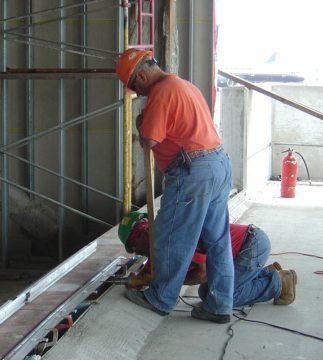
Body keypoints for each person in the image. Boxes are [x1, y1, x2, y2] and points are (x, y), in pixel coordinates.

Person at [116, 49, 234, 323]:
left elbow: (151, 140)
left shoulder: (161, 92)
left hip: (193, 171)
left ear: (142, 76)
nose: (139, 93)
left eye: (136, 87)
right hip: (216, 163)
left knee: (172, 236)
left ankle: (160, 298)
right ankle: (219, 305)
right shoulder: (185, 85)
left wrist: (142, 124)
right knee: (218, 241)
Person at [119, 213, 297, 309]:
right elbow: (153, 269)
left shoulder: (171, 239)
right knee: (209, 292)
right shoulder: (157, 240)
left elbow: (203, 272)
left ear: (143, 234)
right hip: (249, 245)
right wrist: (141, 278)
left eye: (135, 247)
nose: (138, 252)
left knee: (219, 298)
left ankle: (279, 283)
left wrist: (170, 282)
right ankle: (264, 273)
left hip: (250, 246)